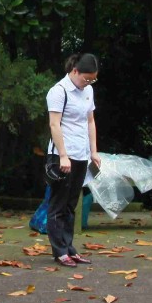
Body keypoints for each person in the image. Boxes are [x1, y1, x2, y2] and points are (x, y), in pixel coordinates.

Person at [45, 53, 99, 267]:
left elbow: (90, 121)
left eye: (93, 80)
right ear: (75, 71)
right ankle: (59, 251)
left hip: (81, 154)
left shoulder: (88, 91)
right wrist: (63, 156)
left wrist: (94, 151)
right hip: (62, 155)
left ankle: (69, 247)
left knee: (71, 204)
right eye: (86, 78)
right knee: (58, 204)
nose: (88, 83)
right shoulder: (58, 91)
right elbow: (54, 124)